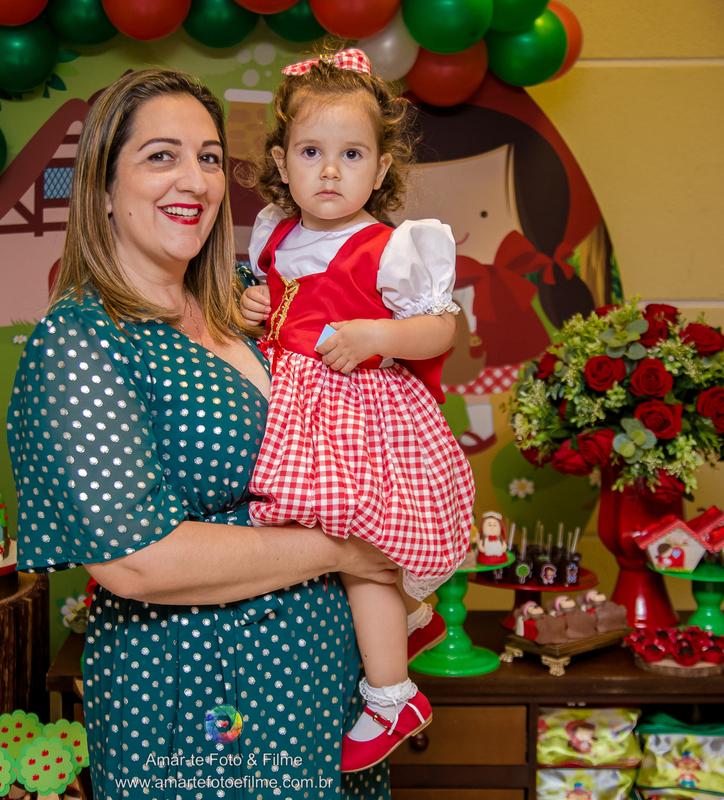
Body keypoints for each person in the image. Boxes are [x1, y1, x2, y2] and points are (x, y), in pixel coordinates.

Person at [8, 68, 399, 798]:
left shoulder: (245, 319)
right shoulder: (84, 339)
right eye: (161, 156)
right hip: (200, 695)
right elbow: (137, 561)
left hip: (319, 683)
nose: (195, 180)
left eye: (210, 157)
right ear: (101, 186)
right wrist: (354, 546)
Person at [238, 48, 475, 771]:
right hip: (291, 408)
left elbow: (441, 328)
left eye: (351, 154)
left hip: (362, 415)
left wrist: (381, 334)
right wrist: (253, 307)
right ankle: (408, 621)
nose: (331, 170)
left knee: (358, 556)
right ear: (282, 163)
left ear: (381, 167)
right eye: (312, 152)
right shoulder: (273, 237)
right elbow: (275, 312)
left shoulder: (392, 247)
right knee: (303, 548)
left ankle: (390, 691)